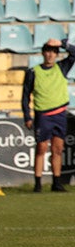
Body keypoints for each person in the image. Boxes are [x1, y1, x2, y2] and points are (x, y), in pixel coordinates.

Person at [21, 38, 75, 193]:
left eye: (53, 52)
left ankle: (56, 182)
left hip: (59, 114)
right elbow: (25, 96)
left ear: (56, 54)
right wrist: (27, 116)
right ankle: (37, 183)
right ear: (43, 53)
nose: (50, 55)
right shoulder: (33, 72)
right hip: (43, 115)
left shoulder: (62, 67)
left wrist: (63, 43)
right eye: (48, 51)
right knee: (41, 148)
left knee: (58, 149)